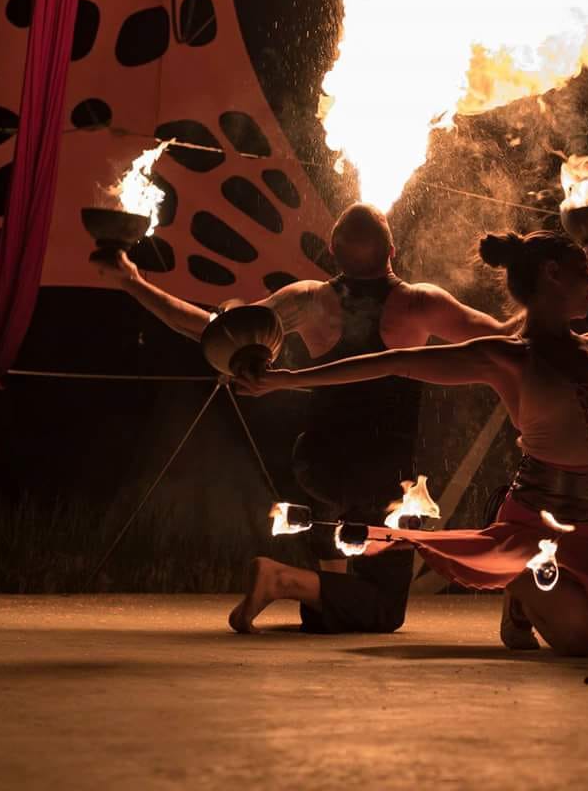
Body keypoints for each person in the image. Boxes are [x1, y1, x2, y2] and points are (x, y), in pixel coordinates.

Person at [234, 230, 588, 657]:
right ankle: (523, 591)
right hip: (539, 528)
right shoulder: (505, 357)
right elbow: (394, 361)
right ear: (551, 274)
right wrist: (284, 378)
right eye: (582, 272)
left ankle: (578, 593)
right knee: (578, 639)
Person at [92, 203, 518, 635]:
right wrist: (557, 293)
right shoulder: (418, 302)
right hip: (381, 476)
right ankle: (281, 578)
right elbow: (505, 338)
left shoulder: (308, 299)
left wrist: (133, 282)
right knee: (385, 612)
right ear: (393, 250)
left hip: (320, 468)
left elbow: (215, 329)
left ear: (332, 250)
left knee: (327, 612)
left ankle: (305, 588)